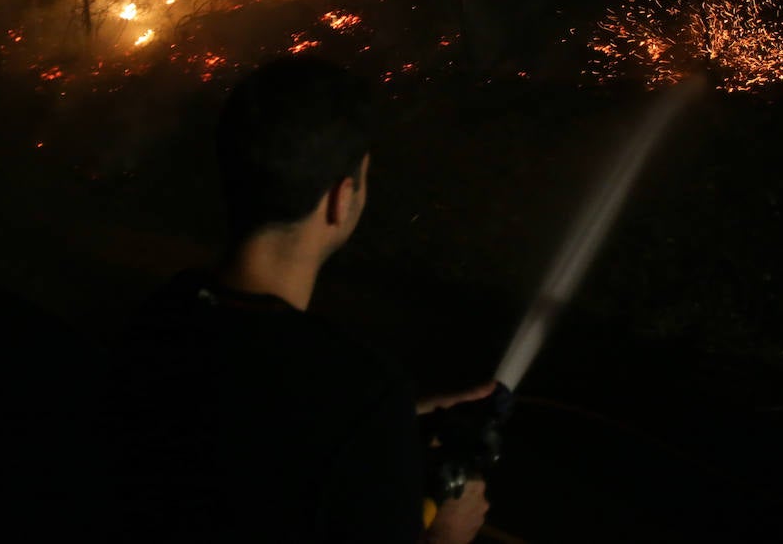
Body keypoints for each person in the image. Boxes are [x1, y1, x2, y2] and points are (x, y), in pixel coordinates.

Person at [105, 54, 493, 544]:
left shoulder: (158, 318)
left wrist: (393, 421)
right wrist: (446, 535)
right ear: (340, 198)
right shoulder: (359, 392)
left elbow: (252, 426)